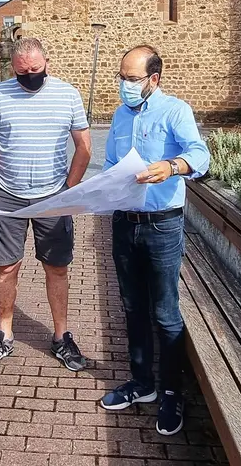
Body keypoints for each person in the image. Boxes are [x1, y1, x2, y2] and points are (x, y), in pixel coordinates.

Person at [98, 45, 209, 438]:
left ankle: (171, 392)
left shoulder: (175, 110)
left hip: (162, 224)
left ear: (153, 79)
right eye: (121, 77)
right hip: (124, 222)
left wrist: (172, 166)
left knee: (165, 311)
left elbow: (201, 155)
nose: (124, 85)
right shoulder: (119, 114)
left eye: (131, 79)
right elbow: (112, 163)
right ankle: (142, 383)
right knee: (132, 307)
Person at [0, 37, 92, 372]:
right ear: (12, 67)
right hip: (8, 196)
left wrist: (68, 190)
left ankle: (61, 336)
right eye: (21, 71)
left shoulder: (67, 94)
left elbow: (84, 147)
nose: (29, 76)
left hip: (53, 196)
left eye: (35, 70)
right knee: (7, 266)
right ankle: (4, 334)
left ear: (47, 62)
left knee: (56, 267)